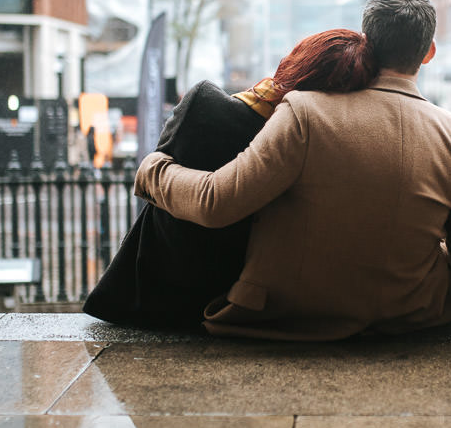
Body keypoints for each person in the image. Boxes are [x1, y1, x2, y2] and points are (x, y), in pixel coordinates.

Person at [131, 0, 451, 340]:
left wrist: (153, 170)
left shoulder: (306, 111)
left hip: (290, 316)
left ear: (365, 40)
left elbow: (216, 203)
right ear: (428, 52)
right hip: (418, 314)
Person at [84, 28, 379, 328]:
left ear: (293, 62)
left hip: (151, 299)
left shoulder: (206, 106)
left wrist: (151, 170)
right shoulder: (329, 147)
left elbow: (210, 201)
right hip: (243, 308)